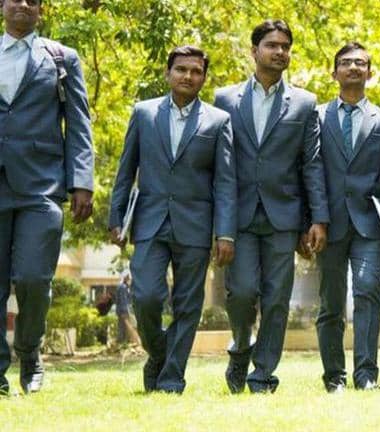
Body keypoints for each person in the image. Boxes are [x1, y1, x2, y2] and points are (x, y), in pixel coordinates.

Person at [109, 45, 236, 393]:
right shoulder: (144, 113)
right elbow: (126, 170)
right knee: (146, 296)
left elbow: (225, 182)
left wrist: (225, 233)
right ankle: (159, 354)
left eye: (196, 71)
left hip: (196, 225)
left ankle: (171, 378)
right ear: (168, 73)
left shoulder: (218, 121)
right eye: (181, 69)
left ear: (204, 78)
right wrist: (116, 217)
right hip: (149, 221)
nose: (188, 76)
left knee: (188, 306)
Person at [214, 19, 329, 394]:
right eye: (271, 45)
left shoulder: (305, 103)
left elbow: (311, 163)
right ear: (254, 51)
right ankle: (240, 346)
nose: (279, 52)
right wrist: (220, 225)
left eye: (285, 46)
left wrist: (317, 219)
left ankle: (263, 375)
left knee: (277, 299)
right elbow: (219, 165)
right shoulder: (225, 99)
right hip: (239, 215)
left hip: (284, 215)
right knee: (242, 292)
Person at [0, 0, 94, 395]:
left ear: (41, 10)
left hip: (42, 184)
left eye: (33, 0)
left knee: (34, 278)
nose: (23, 4)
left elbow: (79, 121)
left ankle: (29, 352)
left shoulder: (61, 58)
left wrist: (82, 181)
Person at [314, 43, 380, 392]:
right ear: (334, 71)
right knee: (331, 303)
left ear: (370, 72)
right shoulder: (316, 117)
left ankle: (366, 374)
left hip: (369, 225)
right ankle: (334, 377)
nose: (353, 67)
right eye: (346, 62)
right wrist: (313, 220)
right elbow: (310, 173)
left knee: (368, 291)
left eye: (360, 63)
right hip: (328, 223)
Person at [115, 271, 140, 345]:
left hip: (121, 310)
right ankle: (122, 341)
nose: (130, 280)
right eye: (129, 279)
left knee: (122, 326)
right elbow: (123, 300)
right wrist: (125, 311)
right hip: (123, 310)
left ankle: (122, 341)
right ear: (126, 278)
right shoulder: (123, 287)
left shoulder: (123, 287)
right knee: (124, 326)